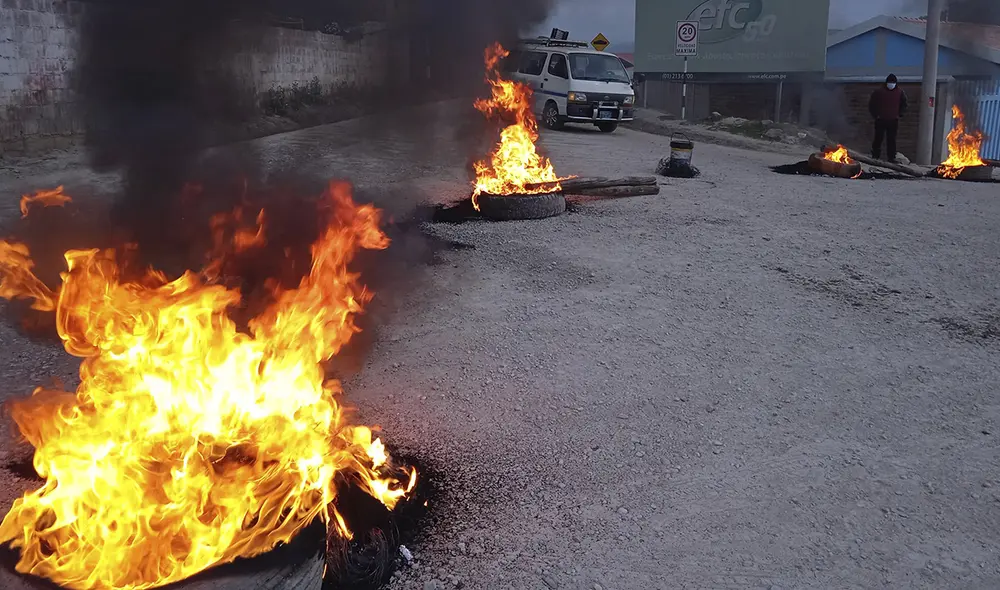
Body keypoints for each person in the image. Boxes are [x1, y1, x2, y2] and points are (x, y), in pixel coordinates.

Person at [868, 74, 908, 161]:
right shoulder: (879, 92)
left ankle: (891, 157)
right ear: (886, 83)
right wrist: (875, 115)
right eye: (890, 82)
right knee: (878, 138)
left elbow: (904, 105)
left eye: (893, 82)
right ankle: (875, 156)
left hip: (893, 120)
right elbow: (872, 104)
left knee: (891, 140)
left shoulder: (900, 93)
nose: (891, 84)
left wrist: (899, 114)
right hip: (880, 119)